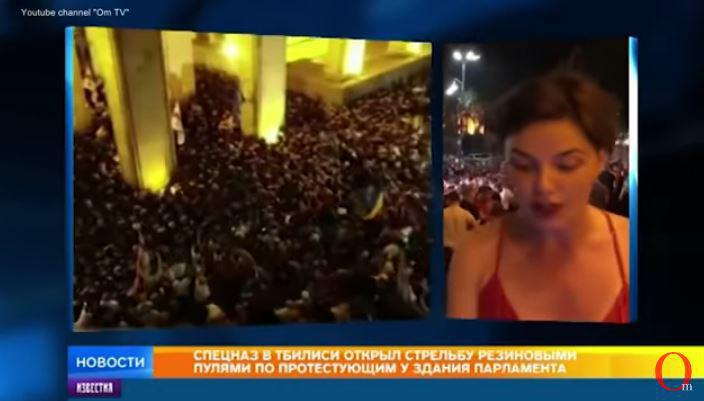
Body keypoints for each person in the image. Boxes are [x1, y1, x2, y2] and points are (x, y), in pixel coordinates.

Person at [448, 72, 629, 323]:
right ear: (507, 167)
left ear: (600, 161)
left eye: (566, 165)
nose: (543, 185)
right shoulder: (475, 255)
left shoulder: (632, 248)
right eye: (523, 166)